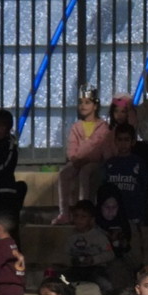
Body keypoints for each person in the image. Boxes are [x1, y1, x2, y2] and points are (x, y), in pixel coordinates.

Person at [56, 86, 113, 224]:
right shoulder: (76, 126)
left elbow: (102, 148)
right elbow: (72, 145)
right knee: (64, 173)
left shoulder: (103, 127)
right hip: (77, 161)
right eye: (81, 102)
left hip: (95, 162)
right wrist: (74, 159)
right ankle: (64, 213)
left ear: (95, 106)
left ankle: (85, 211)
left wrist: (89, 159)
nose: (83, 105)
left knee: (85, 172)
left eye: (87, 102)